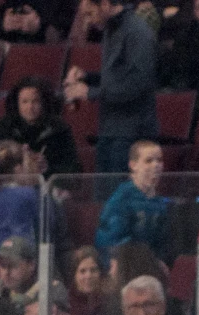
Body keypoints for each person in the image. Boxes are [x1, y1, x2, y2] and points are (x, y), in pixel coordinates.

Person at [83, 0, 159, 180]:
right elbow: (116, 78)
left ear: (105, 4)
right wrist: (86, 77)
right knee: (104, 199)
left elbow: (136, 85)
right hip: (110, 129)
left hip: (131, 133)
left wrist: (90, 92)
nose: (88, 21)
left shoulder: (137, 32)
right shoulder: (111, 30)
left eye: (90, 13)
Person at [97, 141, 177, 262]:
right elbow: (110, 243)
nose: (156, 165)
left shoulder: (160, 203)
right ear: (133, 165)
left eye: (159, 160)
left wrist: (160, 262)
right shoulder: (121, 200)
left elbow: (164, 244)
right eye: (148, 161)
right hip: (125, 266)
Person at [0, 78, 82, 179]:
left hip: (49, 189)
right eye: (24, 102)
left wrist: (47, 168)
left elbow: (73, 171)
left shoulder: (59, 130)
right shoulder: (3, 129)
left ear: (44, 103)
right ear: (16, 104)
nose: (30, 107)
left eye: (36, 101)